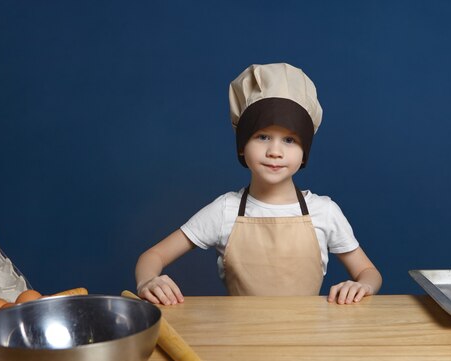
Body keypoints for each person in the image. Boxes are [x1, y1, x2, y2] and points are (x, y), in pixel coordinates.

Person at [135, 63, 382, 305]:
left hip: (308, 339)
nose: (275, 151)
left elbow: (369, 272)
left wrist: (361, 285)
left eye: (289, 140)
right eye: (262, 137)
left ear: (304, 152)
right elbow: (152, 256)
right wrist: (148, 281)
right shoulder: (224, 210)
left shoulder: (325, 212)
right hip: (241, 340)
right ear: (242, 146)